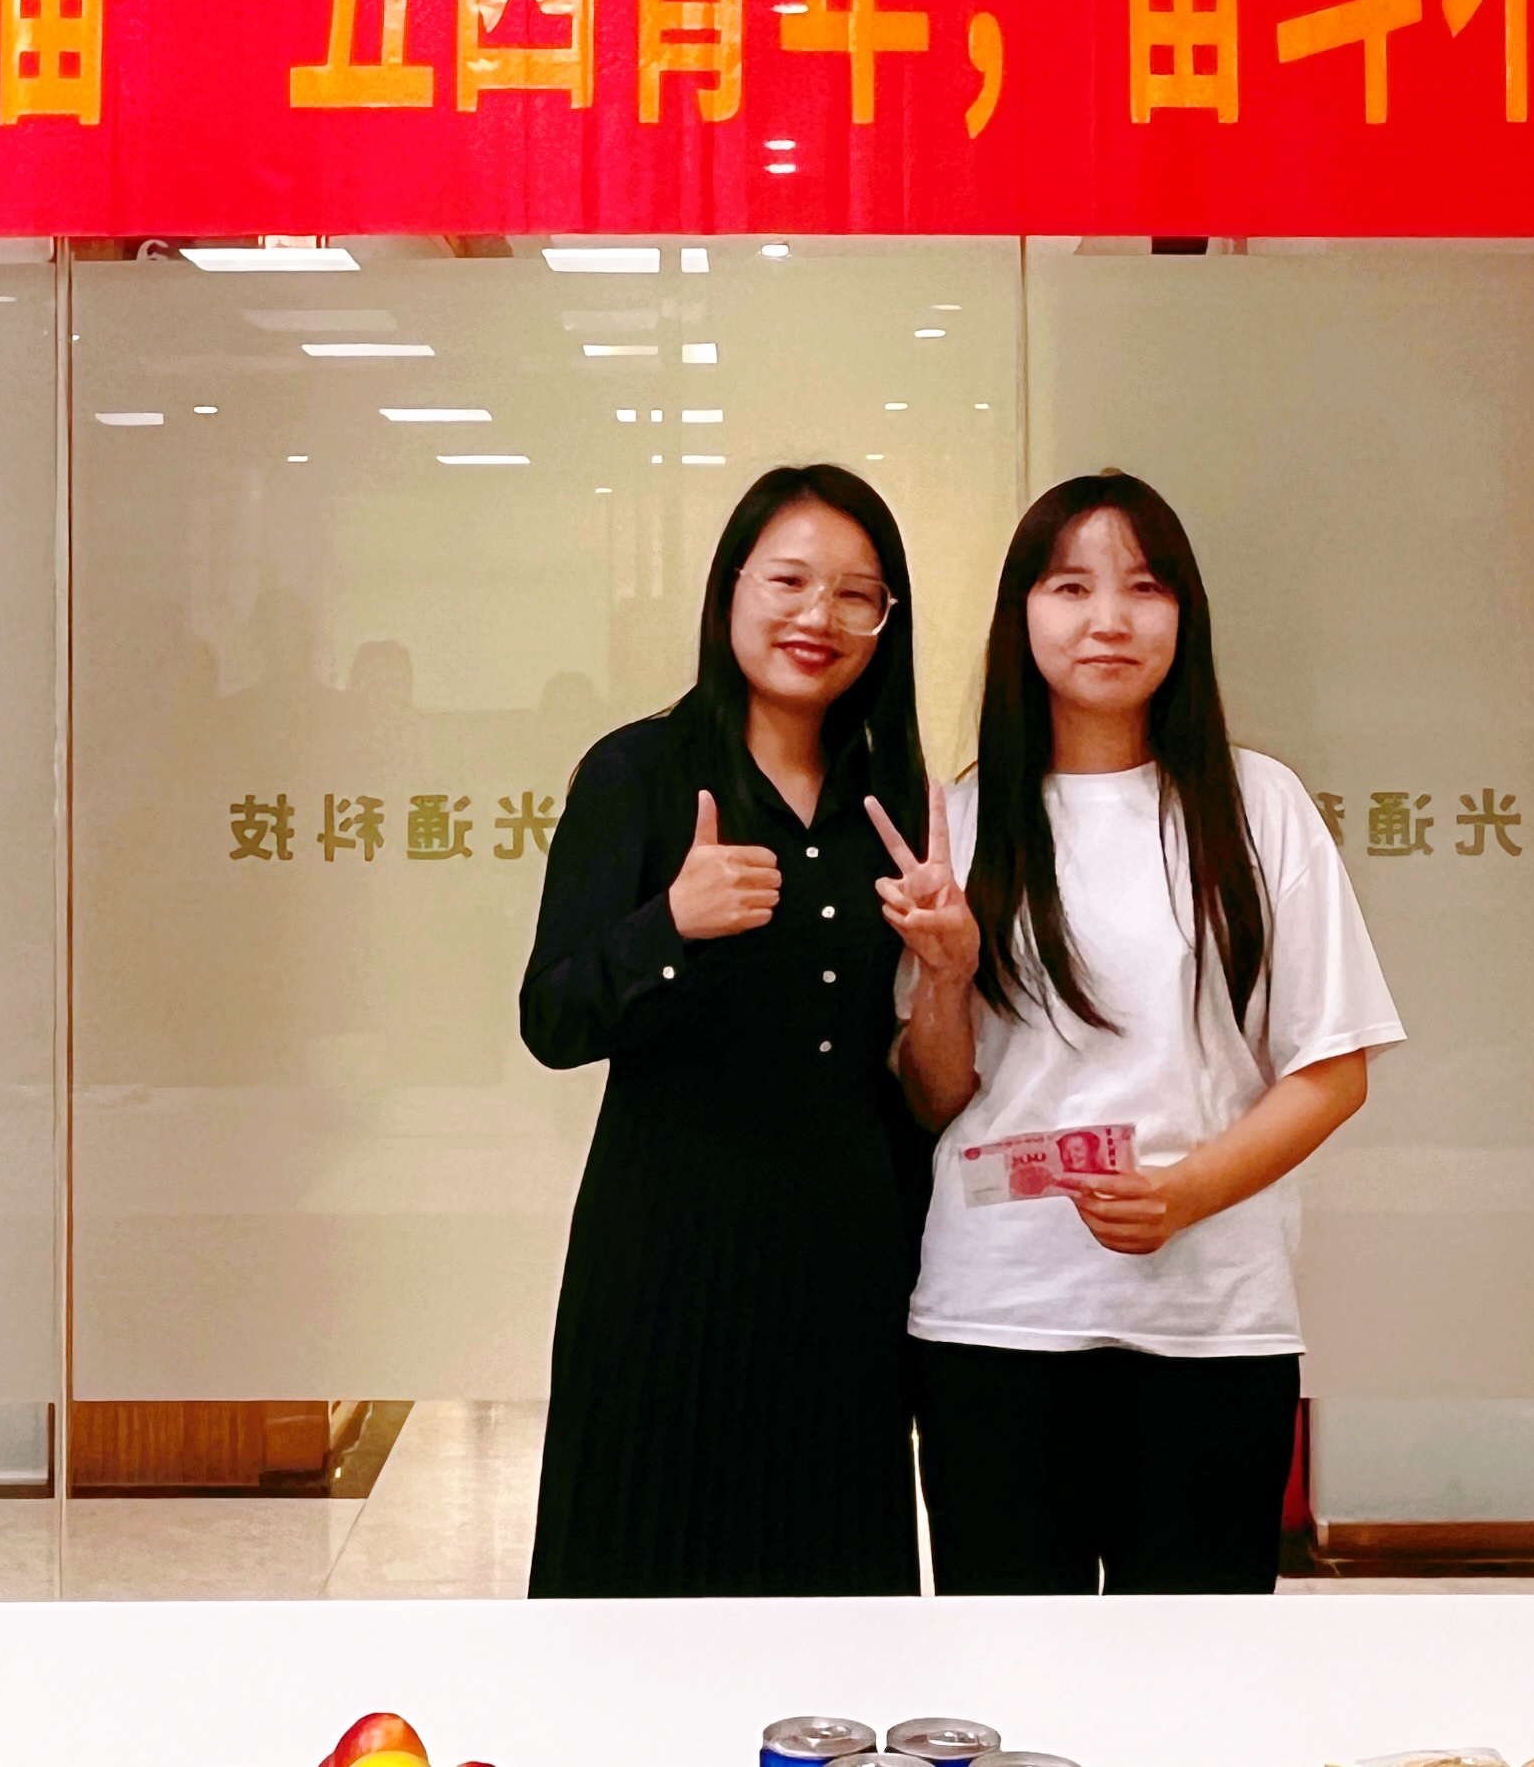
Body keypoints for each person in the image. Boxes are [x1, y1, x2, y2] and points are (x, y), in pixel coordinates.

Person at [874, 470, 1402, 1594]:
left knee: (1200, 1676)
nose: (1108, 619)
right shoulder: (961, 819)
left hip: (1210, 1326)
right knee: (1009, 1670)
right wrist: (947, 976)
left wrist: (1185, 1195)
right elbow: (934, 1096)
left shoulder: (1258, 807)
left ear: (1184, 617)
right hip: (996, 1322)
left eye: (1144, 587)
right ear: (1022, 616)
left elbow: (1333, 1069)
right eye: (1070, 587)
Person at [518, 464, 936, 1595]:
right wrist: (670, 924)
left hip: (845, 1261)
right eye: (790, 580)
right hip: (667, 1249)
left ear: (886, 621)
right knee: (639, 1575)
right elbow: (551, 1018)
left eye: (856, 594)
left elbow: (912, 1067)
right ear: (731, 589)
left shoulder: (895, 797)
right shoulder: (638, 772)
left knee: (831, 1596)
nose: (818, 616)